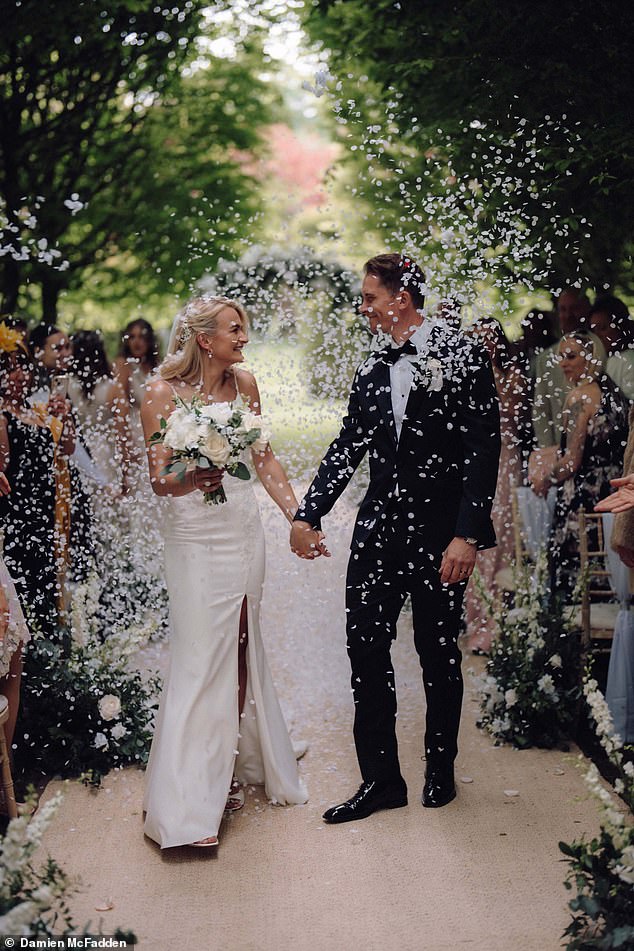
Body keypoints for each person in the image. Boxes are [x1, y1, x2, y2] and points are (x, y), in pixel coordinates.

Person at [290, 253, 500, 821]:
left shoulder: (462, 354)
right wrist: (308, 514)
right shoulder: (372, 363)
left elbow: (484, 451)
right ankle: (381, 781)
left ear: (400, 297)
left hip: (441, 538)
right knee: (365, 650)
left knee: (437, 652)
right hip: (379, 529)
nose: (364, 308)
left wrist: (467, 536)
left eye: (370, 298)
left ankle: (440, 769)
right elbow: (348, 445)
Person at [141, 296, 307, 849]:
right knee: (198, 651)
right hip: (192, 539)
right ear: (204, 339)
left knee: (239, 643)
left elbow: (264, 460)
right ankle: (187, 802)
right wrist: (194, 474)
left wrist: (296, 517)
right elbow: (159, 479)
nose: (245, 338)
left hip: (240, 532)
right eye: (236, 330)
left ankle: (229, 766)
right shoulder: (160, 393)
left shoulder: (246, 384)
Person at [531, 332, 628, 595]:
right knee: (606, 578)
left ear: (592, 356)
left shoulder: (579, 398)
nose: (564, 363)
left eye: (571, 356)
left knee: (575, 585)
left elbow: (571, 462)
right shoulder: (613, 392)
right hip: (611, 496)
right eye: (561, 357)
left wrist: (544, 479)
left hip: (582, 503)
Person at [0, 328, 75, 634]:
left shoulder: (39, 411)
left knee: (45, 590)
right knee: (21, 592)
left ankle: (48, 660)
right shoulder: (2, 416)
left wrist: (64, 418)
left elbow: (67, 449)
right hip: (17, 518)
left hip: (44, 515)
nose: (18, 375)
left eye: (22, 367)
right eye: (9, 368)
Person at [464, 318, 530, 653]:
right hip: (471, 463)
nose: (483, 344)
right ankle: (474, 620)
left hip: (504, 461)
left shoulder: (511, 374)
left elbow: (512, 416)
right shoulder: (461, 375)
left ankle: (498, 623)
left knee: (501, 540)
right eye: (476, 339)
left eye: (488, 338)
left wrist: (489, 369)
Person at [532, 288, 592, 448]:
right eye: (563, 310)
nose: (568, 315)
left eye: (574, 308)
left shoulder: (600, 351)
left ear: (586, 310)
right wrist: (549, 449)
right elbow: (541, 409)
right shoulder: (546, 358)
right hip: (561, 446)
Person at [113, 319, 160, 472]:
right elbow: (120, 407)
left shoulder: (156, 365)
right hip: (135, 434)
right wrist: (126, 445)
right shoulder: (123, 364)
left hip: (159, 432)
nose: (136, 342)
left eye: (142, 337)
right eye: (132, 337)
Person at [588, 296, 634, 400]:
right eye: (594, 330)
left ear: (620, 327)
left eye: (603, 328)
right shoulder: (600, 361)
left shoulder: (629, 361)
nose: (597, 336)